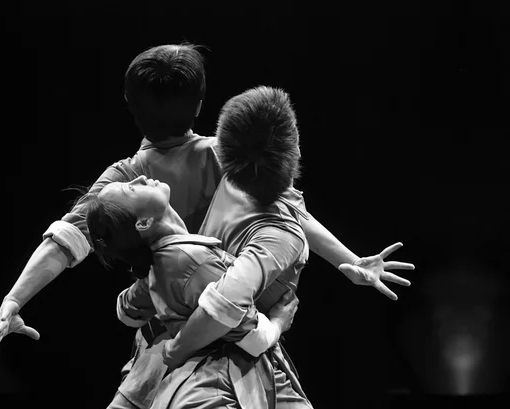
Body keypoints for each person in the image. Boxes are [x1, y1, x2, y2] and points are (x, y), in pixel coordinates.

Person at [0, 42, 412, 357]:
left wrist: (14, 300)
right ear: (201, 102)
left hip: (172, 346)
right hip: (238, 339)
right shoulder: (229, 158)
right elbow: (292, 214)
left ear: (129, 105)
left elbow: (63, 243)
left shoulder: (123, 182)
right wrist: (348, 261)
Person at [153, 86, 415, 408]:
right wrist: (178, 350)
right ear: (295, 154)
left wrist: (351, 262)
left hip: (243, 361)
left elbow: (295, 211)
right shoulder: (280, 237)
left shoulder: (236, 176)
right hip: (226, 373)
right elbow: (221, 307)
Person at [85, 176, 301, 408]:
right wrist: (278, 322)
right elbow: (250, 336)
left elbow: (127, 309)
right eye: (130, 189)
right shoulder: (188, 261)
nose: (139, 178)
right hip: (220, 382)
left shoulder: (167, 261)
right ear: (144, 223)